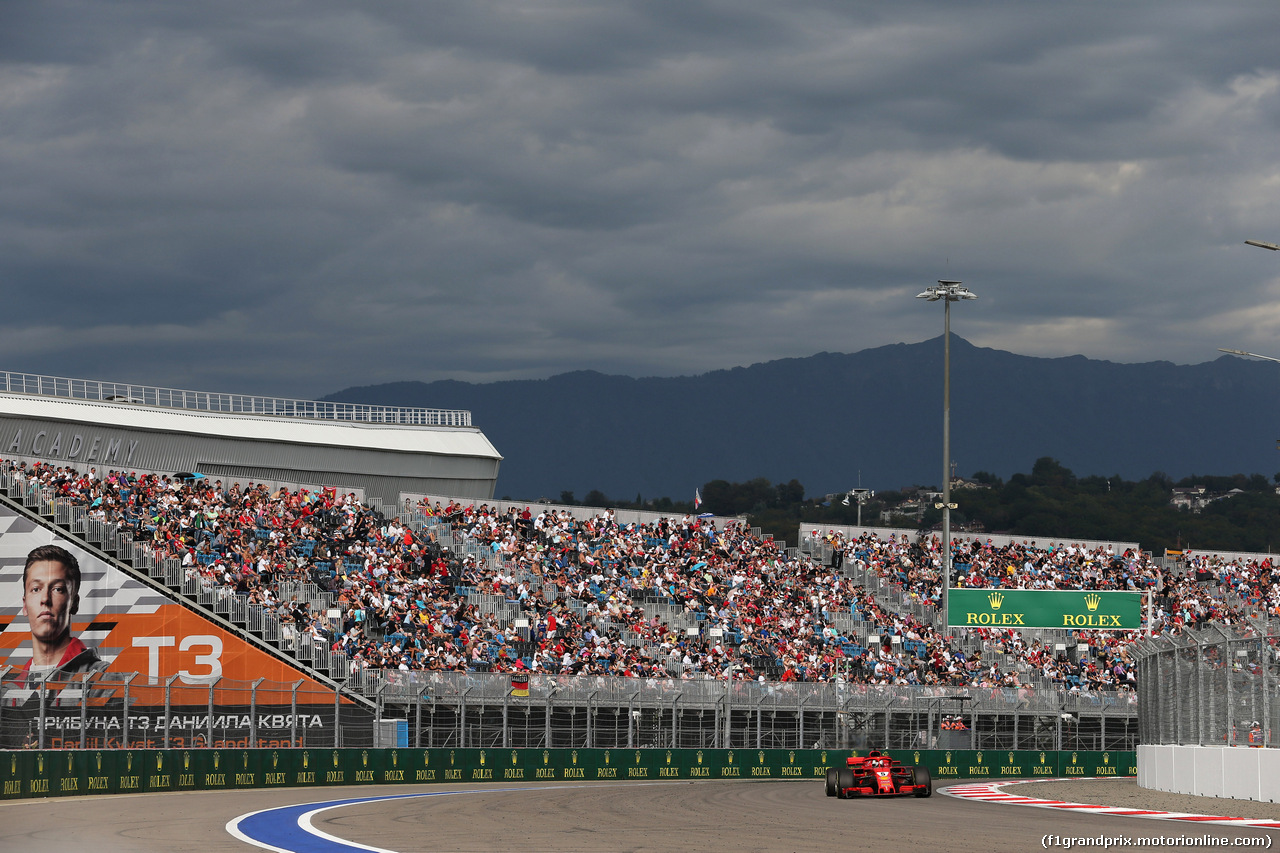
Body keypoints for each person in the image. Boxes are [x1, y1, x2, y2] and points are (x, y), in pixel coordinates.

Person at [18, 544, 108, 685]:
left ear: (74, 603)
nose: (45, 599)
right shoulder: (10, 688)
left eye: (58, 589)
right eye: (36, 589)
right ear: (25, 605)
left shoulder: (102, 679)